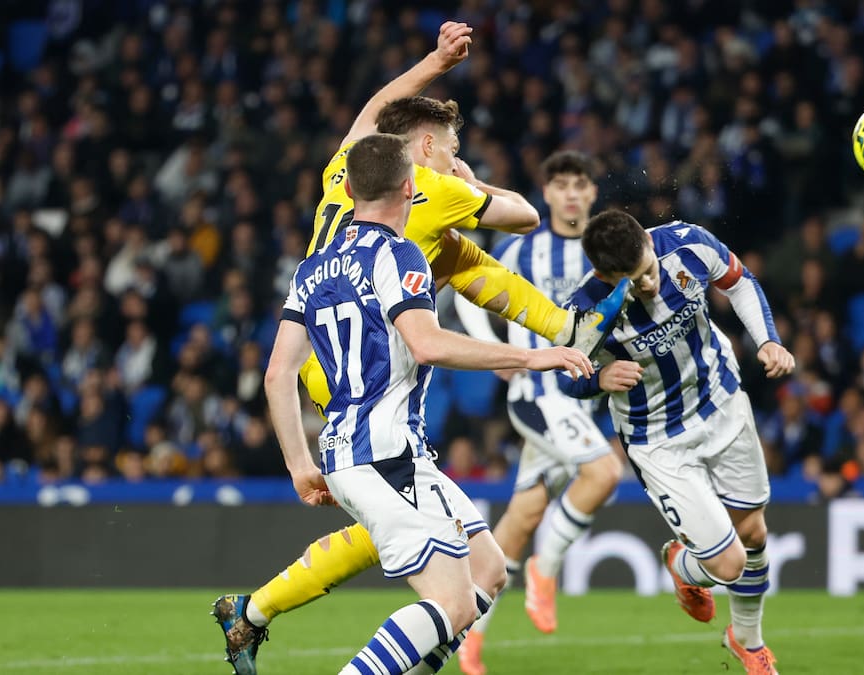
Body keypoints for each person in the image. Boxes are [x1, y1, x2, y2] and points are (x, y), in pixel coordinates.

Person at [214, 24, 627, 675]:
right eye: (451, 146)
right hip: (372, 396)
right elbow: (522, 218)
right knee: (443, 590)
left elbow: (276, 374)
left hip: (333, 361)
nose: (452, 156)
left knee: (481, 570)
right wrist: (470, 181)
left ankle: (253, 611)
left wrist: (434, 63)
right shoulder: (427, 200)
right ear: (422, 156)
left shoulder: (337, 181)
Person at [560, 209, 795, 675]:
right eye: (632, 281)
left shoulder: (687, 243)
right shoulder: (585, 308)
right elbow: (567, 377)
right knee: (728, 564)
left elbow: (739, 281)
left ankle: (747, 641)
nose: (648, 284)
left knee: (753, 534)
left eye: (649, 269)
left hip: (722, 402)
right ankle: (682, 564)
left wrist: (767, 340)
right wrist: (600, 376)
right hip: (657, 438)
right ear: (605, 276)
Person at [451, 151, 626, 674]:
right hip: (537, 393)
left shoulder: (606, 251)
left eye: (581, 185)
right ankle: (546, 571)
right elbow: (465, 293)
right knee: (603, 471)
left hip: (579, 399)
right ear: (546, 194)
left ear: (592, 193)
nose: (571, 194)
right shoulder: (522, 248)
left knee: (519, 520)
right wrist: (496, 355)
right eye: (561, 186)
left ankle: (467, 634)